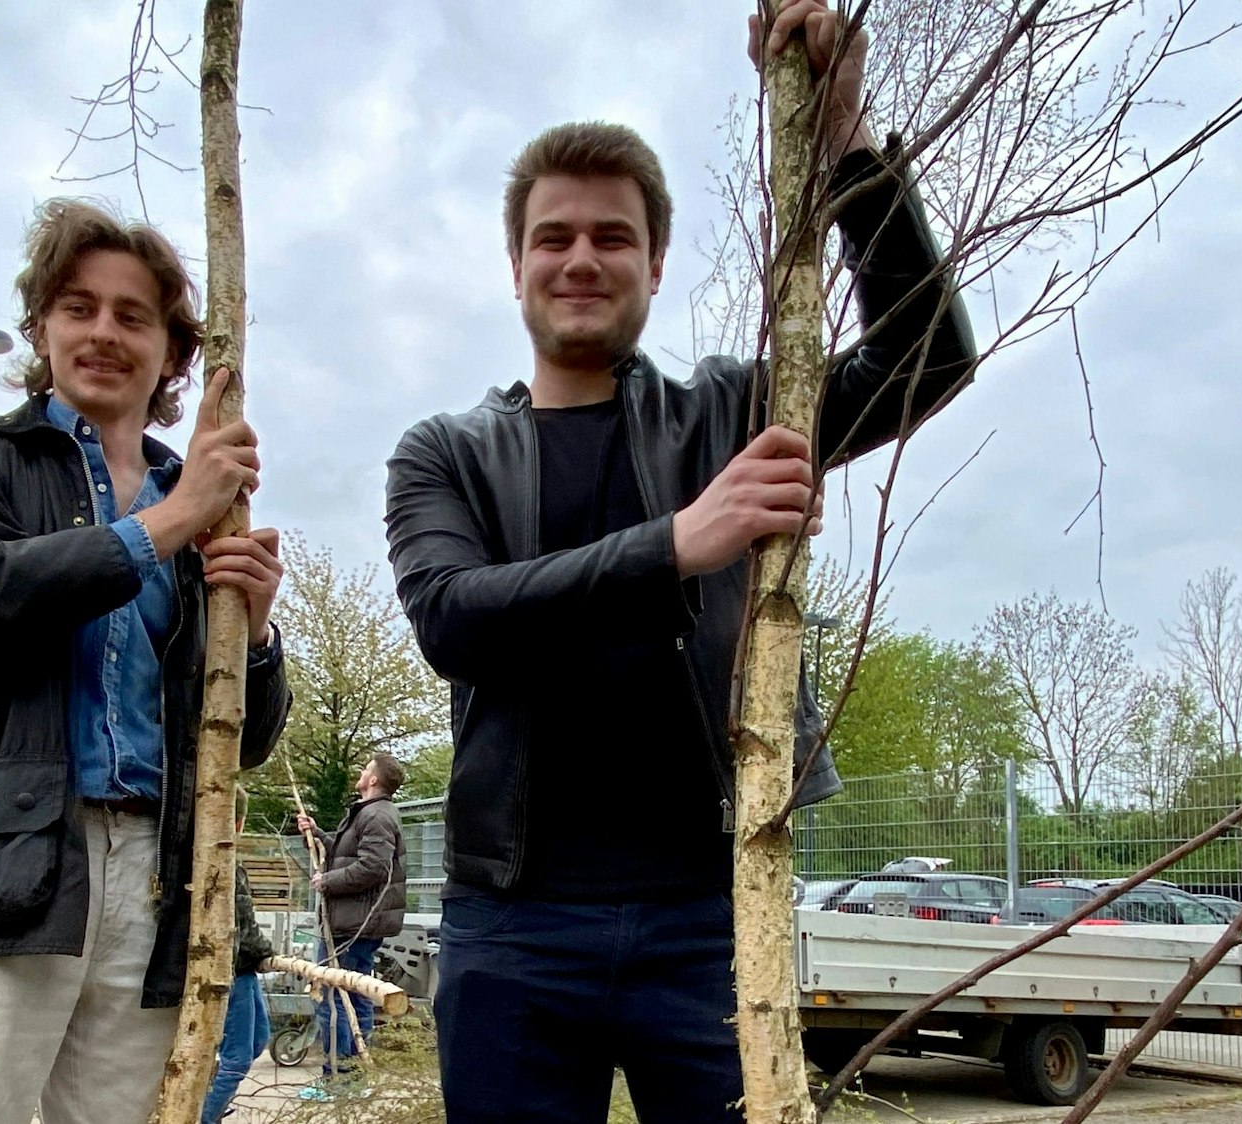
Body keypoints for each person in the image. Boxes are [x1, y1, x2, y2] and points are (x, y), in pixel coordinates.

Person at [380, 3, 977, 1119]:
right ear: (515, 265)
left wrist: (845, 134)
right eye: (552, 236)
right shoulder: (444, 451)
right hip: (510, 923)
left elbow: (926, 357)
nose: (580, 258)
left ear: (654, 262)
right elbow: (454, 618)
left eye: (612, 236)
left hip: (711, 916)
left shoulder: (733, 411)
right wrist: (676, 542)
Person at [0, 198, 293, 1124]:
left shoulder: (209, 506)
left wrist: (250, 635)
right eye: (78, 307)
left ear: (174, 353)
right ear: (40, 328)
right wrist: (161, 527)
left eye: (133, 316)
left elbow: (235, 747)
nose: (103, 332)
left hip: (152, 875)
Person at [293, 752, 408, 1097]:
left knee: (333, 1000)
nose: (361, 773)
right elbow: (347, 857)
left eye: (365, 769)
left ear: (374, 780)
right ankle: (355, 1079)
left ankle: (337, 1080)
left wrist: (327, 881)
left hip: (353, 926)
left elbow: (373, 867)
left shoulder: (376, 816)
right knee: (355, 999)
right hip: (356, 922)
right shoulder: (370, 813)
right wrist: (317, 835)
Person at [201, 788, 274, 1124]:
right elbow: (242, 923)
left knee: (259, 1037)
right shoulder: (227, 866)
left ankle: (210, 1100)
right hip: (232, 970)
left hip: (243, 971)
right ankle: (203, 1117)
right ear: (240, 822)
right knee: (237, 1059)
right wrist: (265, 951)